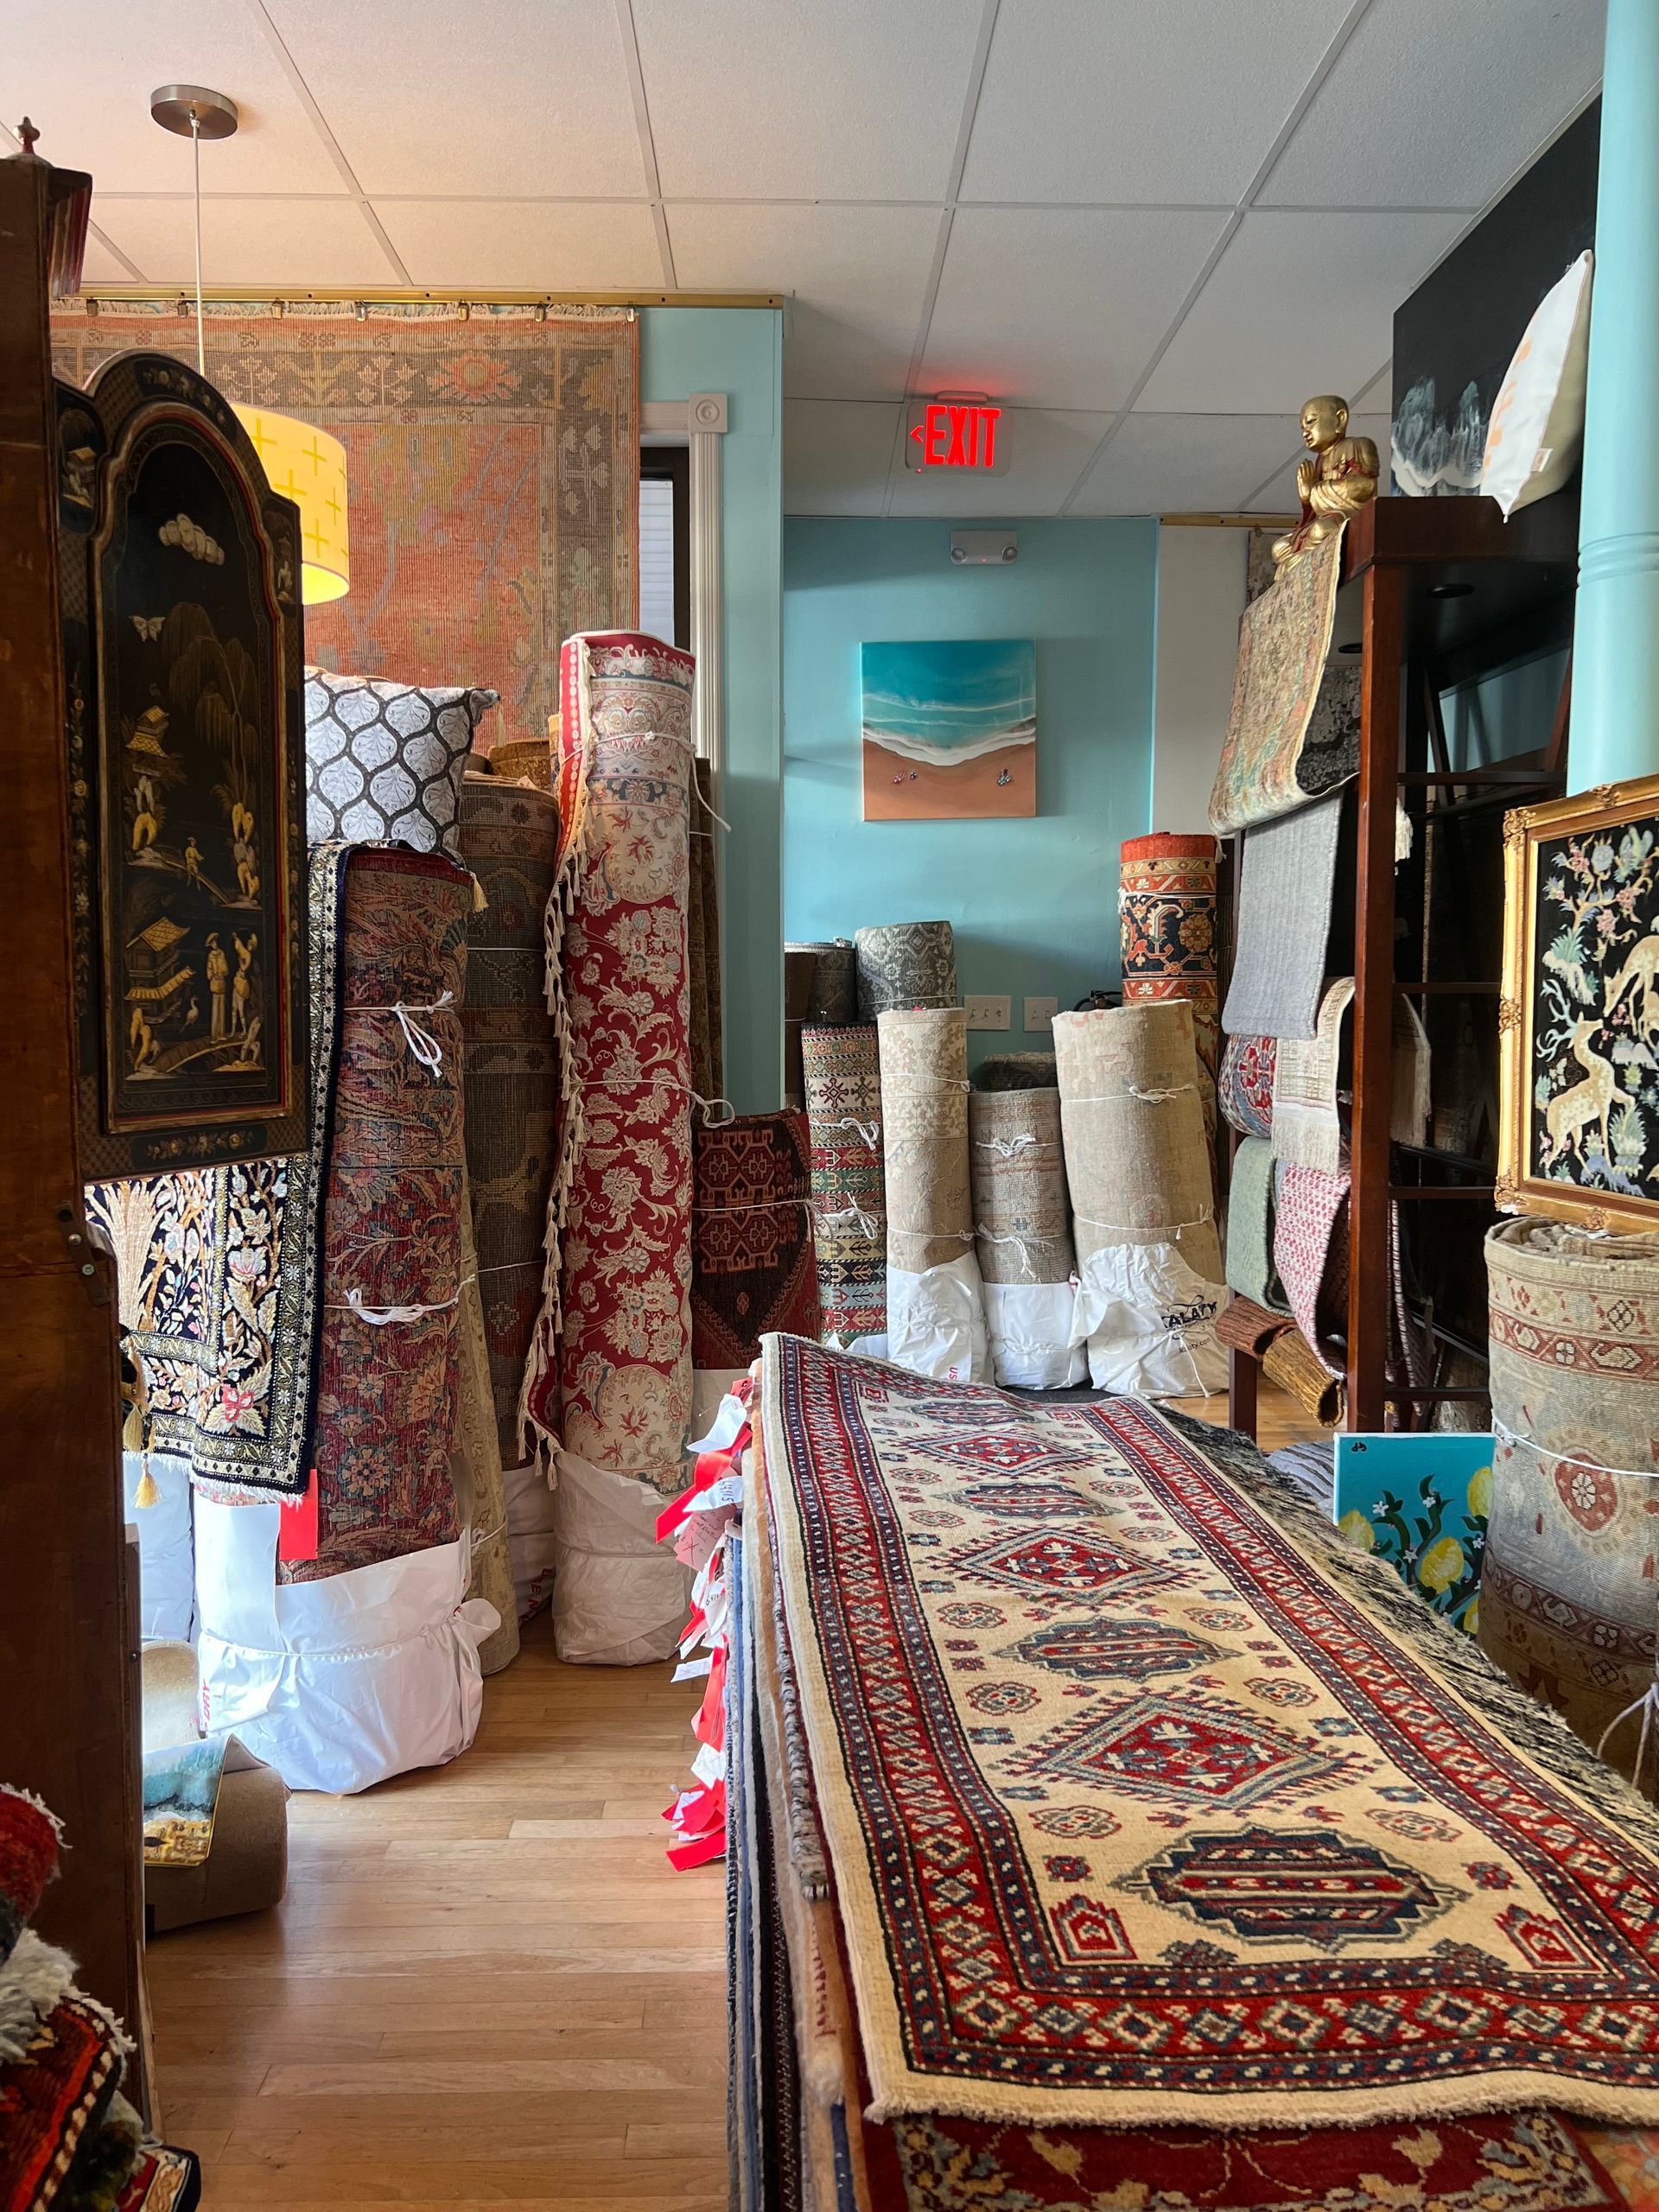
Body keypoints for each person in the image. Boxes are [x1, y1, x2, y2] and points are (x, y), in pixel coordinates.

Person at [206, 934, 229, 1040]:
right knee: (215, 1010)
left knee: (222, 1009)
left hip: (222, 982)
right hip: (215, 983)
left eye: (214, 942)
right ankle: (214, 1036)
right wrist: (213, 975)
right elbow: (209, 970)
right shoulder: (210, 955)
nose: (214, 944)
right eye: (212, 943)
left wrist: (222, 973)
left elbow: (225, 967)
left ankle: (221, 1034)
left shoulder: (222, 953)